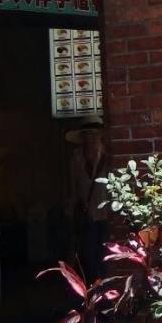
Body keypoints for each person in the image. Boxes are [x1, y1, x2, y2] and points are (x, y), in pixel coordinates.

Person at [66, 118, 110, 281]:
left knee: (105, 257)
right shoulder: (77, 158)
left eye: (94, 133)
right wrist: (70, 209)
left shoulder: (108, 156)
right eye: (87, 134)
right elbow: (75, 187)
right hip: (88, 215)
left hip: (106, 214)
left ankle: (107, 289)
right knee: (89, 256)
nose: (91, 138)